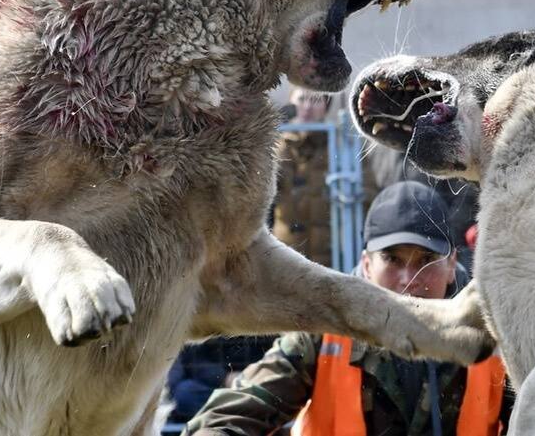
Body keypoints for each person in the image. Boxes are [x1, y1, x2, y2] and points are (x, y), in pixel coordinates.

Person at [185, 181, 511, 435]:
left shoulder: (496, 335)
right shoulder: (324, 332)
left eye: (426, 260)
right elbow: (227, 416)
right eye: (393, 259)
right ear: (366, 264)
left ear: (453, 264)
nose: (409, 280)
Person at [273, 88, 377, 267]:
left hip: (332, 253)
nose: (307, 106)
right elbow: (267, 189)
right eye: (302, 98)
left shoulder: (342, 146)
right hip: (285, 251)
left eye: (315, 100)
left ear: (326, 107)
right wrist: (280, 139)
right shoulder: (278, 144)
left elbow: (369, 192)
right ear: (292, 102)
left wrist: (350, 194)